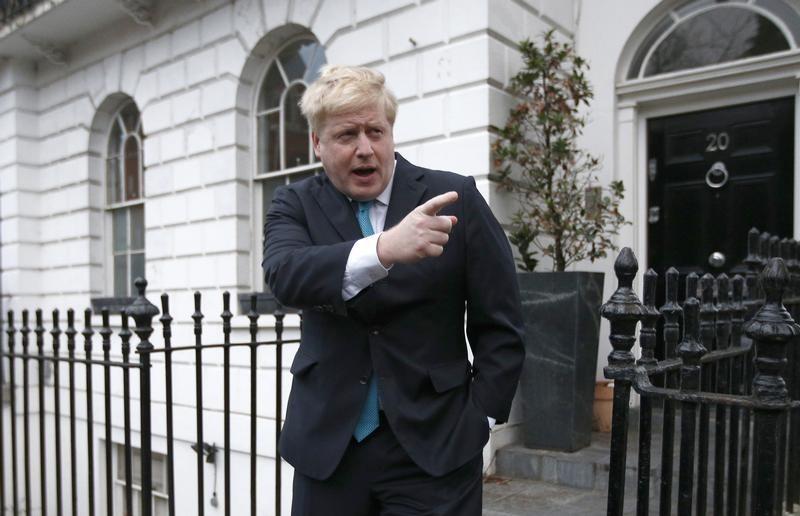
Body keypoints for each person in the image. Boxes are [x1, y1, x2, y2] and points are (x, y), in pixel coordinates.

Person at [263, 65, 524, 516]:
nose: (365, 149)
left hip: (435, 446)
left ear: (391, 132)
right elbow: (285, 275)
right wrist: (384, 249)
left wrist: (480, 417)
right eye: (347, 135)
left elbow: (500, 319)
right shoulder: (295, 203)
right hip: (329, 449)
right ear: (318, 144)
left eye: (375, 132)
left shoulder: (452, 196)